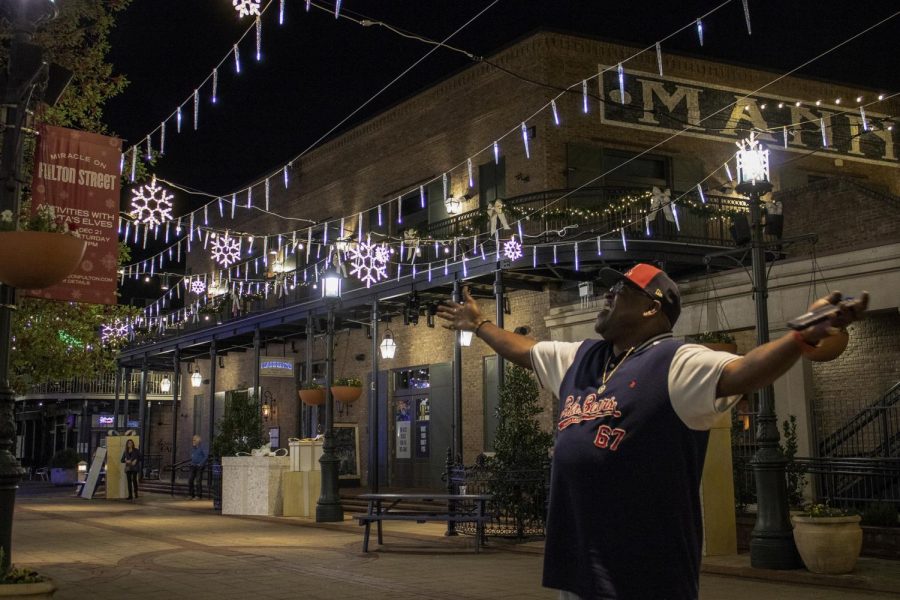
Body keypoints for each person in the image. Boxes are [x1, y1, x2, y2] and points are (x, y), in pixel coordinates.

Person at [436, 263, 868, 600]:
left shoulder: (678, 362)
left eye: (620, 289)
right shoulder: (583, 357)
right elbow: (526, 350)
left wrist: (797, 338)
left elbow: (743, 372)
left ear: (650, 307)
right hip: (578, 563)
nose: (606, 294)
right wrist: (480, 325)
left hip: (644, 572)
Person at [188, 434, 208, 500]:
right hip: (192, 465)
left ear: (198, 440)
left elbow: (206, 456)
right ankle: (191, 495)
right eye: (193, 440)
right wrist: (191, 462)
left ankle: (198, 495)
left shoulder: (202, 447)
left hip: (199, 466)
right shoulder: (193, 447)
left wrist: (200, 464)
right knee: (190, 480)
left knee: (198, 481)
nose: (193, 441)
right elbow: (192, 456)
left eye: (194, 440)